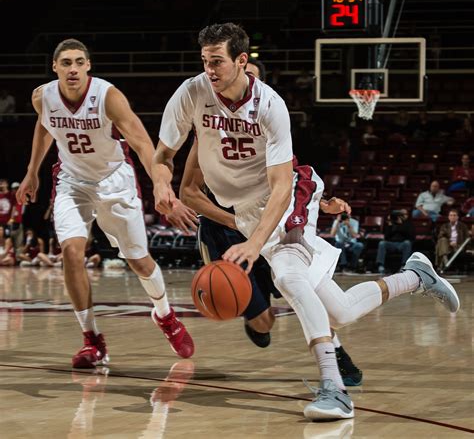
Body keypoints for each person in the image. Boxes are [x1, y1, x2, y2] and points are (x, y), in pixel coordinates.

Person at [152, 22, 459, 421]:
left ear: (242, 61)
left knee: (288, 277)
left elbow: (281, 187)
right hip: (246, 211)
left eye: (217, 62)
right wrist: (163, 187)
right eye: (205, 62)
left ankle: (334, 389)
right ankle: (417, 276)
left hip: (290, 195)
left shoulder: (270, 105)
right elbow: (163, 157)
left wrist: (252, 242)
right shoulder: (192, 94)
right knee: (341, 311)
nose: (209, 70)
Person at [179, 57, 362, 385]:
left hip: (269, 226)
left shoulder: (267, 120)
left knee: (306, 289)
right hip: (228, 231)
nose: (246, 84)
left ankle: (334, 352)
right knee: (264, 324)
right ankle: (257, 316)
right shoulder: (207, 130)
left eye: (253, 79)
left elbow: (293, 178)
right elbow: (189, 195)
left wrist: (325, 201)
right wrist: (237, 224)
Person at [16, 38, 194, 369]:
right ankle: (92, 341)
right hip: (72, 181)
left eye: (79, 62)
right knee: (71, 252)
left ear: (88, 66)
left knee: (139, 261)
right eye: (66, 62)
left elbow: (143, 143)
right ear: (55, 67)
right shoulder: (43, 96)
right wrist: (32, 172)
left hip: (114, 181)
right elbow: (44, 126)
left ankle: (165, 315)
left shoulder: (108, 96)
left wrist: (160, 185)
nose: (73, 68)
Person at [375, 209, 414, 274]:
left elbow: (411, 236)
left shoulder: (408, 224)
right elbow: (386, 237)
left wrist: (401, 224)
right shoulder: (391, 223)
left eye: (403, 215)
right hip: (391, 244)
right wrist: (390, 226)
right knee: (382, 243)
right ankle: (380, 266)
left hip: (402, 244)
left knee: (407, 243)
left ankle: (404, 265)